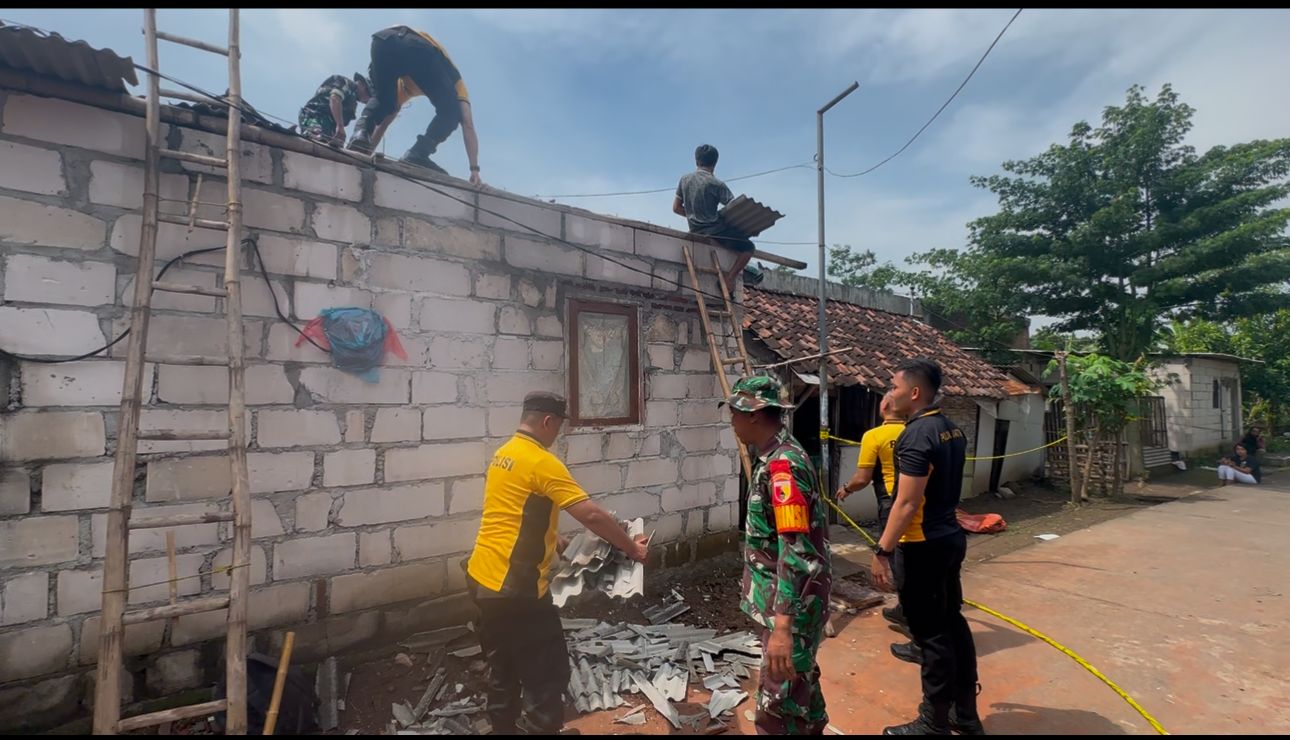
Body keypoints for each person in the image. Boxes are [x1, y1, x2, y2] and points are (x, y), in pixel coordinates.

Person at [465, 391, 648, 734]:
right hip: (517, 590)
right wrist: (632, 549)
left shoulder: (504, 454)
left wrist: (555, 541)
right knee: (546, 675)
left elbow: (512, 513)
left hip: (482, 579)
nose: (558, 435)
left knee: (502, 666)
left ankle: (503, 729)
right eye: (559, 427)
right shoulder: (541, 460)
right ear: (548, 422)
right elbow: (591, 514)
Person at [871, 359, 984, 735]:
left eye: (894, 387)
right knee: (953, 622)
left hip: (922, 545)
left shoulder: (917, 434)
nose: (890, 394)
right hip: (950, 537)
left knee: (930, 636)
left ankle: (932, 723)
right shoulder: (951, 429)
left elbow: (906, 503)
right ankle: (964, 713)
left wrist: (883, 550)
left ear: (914, 393)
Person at [722, 375, 831, 734]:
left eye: (735, 413)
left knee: (775, 706)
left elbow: (797, 551)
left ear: (753, 415)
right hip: (783, 604)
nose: (732, 421)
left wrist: (783, 627)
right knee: (800, 687)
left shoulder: (783, 468)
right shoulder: (774, 457)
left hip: (789, 609)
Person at [836, 392, 921, 664]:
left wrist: (845, 489)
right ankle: (903, 610)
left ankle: (915, 630)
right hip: (917, 500)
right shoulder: (913, 431)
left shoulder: (873, 435)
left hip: (891, 502)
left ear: (883, 407)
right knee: (909, 557)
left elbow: (862, 478)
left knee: (897, 560)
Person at [347, 25, 482, 184]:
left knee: (384, 99)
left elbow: (383, 123)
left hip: (381, 42)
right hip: (417, 48)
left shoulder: (405, 88)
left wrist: (365, 153)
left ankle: (360, 132)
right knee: (452, 113)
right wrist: (474, 170)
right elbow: (468, 124)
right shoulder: (456, 82)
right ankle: (417, 154)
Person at [673, 144, 755, 252]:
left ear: (696, 161)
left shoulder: (684, 180)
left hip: (694, 229)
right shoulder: (717, 184)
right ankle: (732, 270)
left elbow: (676, 208)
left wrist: (694, 216)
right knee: (749, 248)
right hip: (715, 232)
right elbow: (735, 208)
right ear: (715, 163)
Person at [297, 72, 371, 146]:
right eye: (369, 95)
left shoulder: (352, 100)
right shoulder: (346, 83)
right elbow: (335, 98)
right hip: (315, 115)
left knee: (326, 145)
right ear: (363, 85)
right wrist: (340, 126)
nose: (366, 100)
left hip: (328, 125)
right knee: (317, 138)